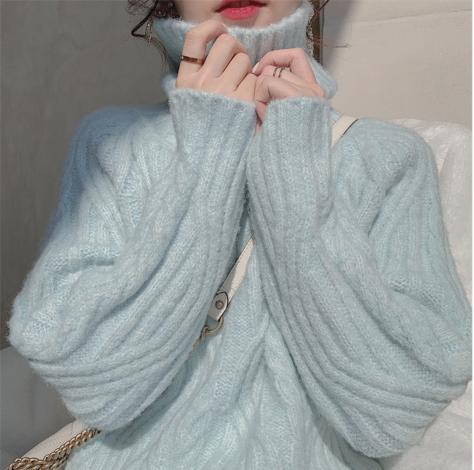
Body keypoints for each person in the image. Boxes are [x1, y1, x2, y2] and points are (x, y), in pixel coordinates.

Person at [7, 0, 471, 468]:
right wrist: (206, 157)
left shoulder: (388, 158)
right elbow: (95, 388)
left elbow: (391, 419)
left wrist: (295, 183)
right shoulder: (113, 145)